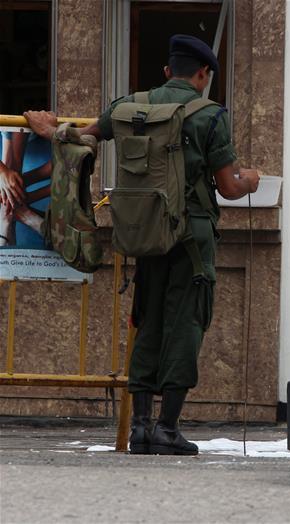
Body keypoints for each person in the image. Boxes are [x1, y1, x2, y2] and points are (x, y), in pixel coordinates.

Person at [24, 34, 260, 455]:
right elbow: (229, 186)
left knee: (146, 321)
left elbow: (84, 138)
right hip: (191, 236)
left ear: (168, 70)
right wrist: (251, 180)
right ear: (203, 74)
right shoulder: (210, 116)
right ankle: (168, 429)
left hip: (144, 232)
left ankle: (141, 428)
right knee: (186, 322)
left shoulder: (128, 106)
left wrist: (49, 127)